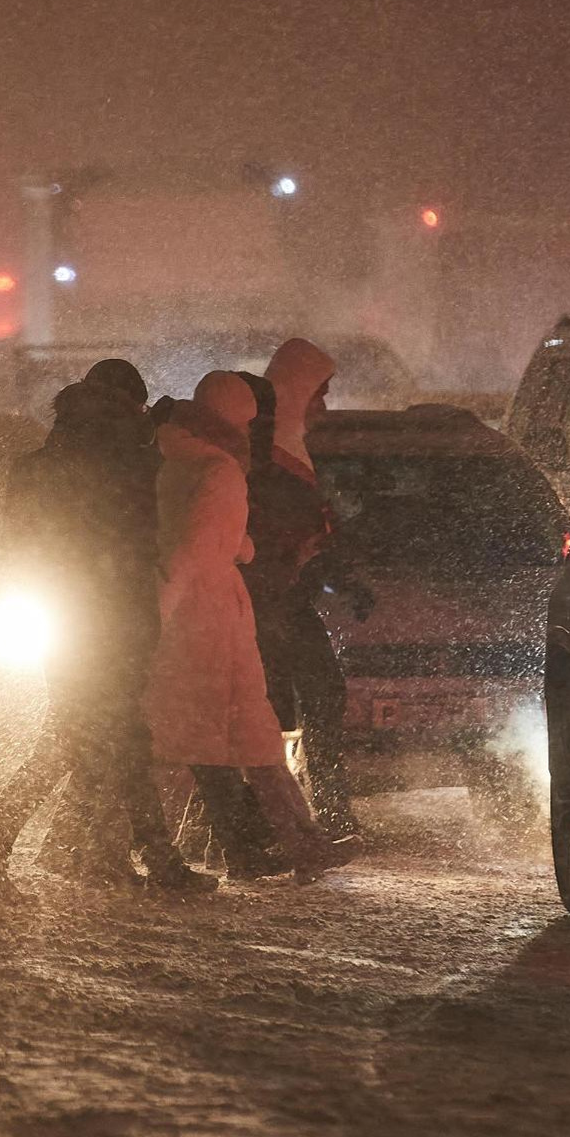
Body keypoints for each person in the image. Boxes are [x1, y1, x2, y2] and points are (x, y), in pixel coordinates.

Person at [0, 378, 212, 895]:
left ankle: (0, 853)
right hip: (107, 625)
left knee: (88, 743)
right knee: (101, 742)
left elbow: (25, 543)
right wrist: (149, 434)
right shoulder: (116, 465)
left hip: (67, 624)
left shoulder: (37, 467)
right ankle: (151, 861)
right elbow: (138, 522)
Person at [146, 371, 339, 881]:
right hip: (212, 620)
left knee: (187, 740)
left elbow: (196, 540)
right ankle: (295, 845)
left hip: (191, 618)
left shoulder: (173, 462)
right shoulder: (220, 470)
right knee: (238, 736)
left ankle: (254, 847)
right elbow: (197, 550)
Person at [249, 339, 358, 838]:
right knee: (271, 709)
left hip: (283, 599)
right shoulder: (268, 457)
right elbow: (277, 534)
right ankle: (288, 820)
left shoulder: (290, 449)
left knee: (317, 694)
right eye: (321, 394)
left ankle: (325, 808)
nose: (325, 405)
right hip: (267, 600)